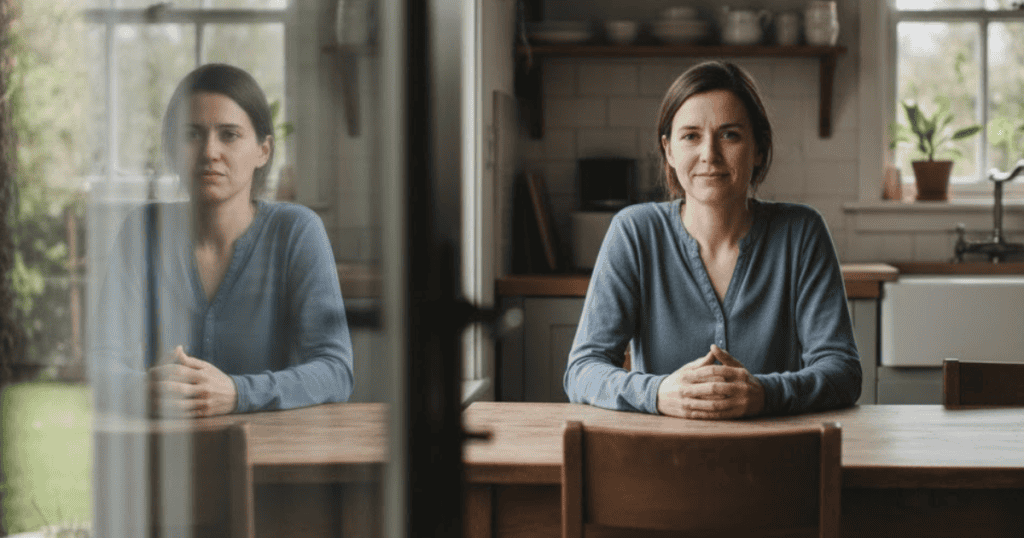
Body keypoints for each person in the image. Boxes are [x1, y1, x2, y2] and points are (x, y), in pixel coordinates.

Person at [563, 61, 861, 419]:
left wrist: (767, 393)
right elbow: (582, 370)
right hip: (659, 463)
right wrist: (658, 393)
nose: (709, 155)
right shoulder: (634, 232)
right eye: (690, 136)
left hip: (778, 462)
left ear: (759, 149)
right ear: (669, 150)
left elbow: (843, 371)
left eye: (730, 134)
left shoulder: (801, 232)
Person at [93, 64, 354, 417]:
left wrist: (237, 393)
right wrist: (140, 389)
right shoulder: (142, 230)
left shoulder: (297, 231)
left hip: (272, 454)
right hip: (165, 455)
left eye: (229, 135)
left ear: (263, 150)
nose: (209, 152)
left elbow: (335, 370)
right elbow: (102, 362)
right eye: (191, 134)